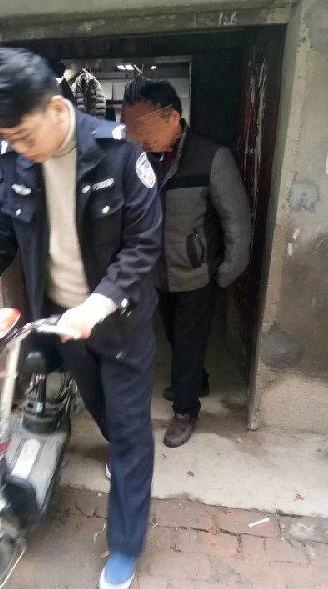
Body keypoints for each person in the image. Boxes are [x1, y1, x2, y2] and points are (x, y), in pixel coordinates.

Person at [0, 49, 161, 589]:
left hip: (117, 321)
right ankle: (117, 450)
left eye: (22, 135)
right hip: (61, 320)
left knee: (130, 430)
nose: (17, 148)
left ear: (56, 108)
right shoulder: (18, 158)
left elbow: (143, 245)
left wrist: (99, 304)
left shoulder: (117, 154)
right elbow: (1, 228)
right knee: (100, 407)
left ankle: (126, 544)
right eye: (7, 138)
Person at [123, 77, 251, 448]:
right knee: (176, 338)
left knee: (188, 343)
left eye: (146, 124)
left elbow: (236, 220)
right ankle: (197, 381)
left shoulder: (211, 157)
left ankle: (185, 409)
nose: (141, 135)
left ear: (171, 117)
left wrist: (226, 272)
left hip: (198, 274)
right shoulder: (145, 159)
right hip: (160, 273)